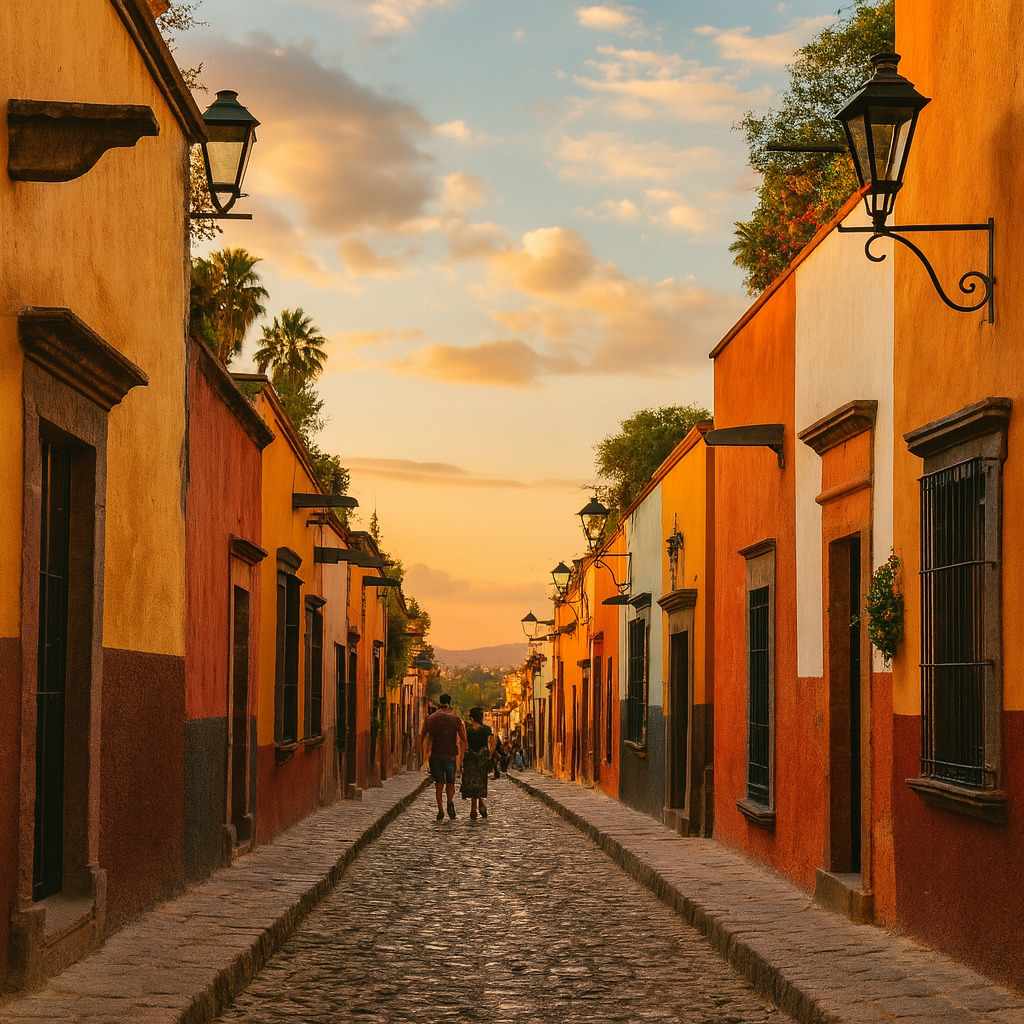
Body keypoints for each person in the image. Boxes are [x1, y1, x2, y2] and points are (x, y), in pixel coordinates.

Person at [420, 693, 467, 821]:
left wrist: (421, 753)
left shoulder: (430, 719)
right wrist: (464, 755)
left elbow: (422, 736)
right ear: (449, 703)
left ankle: (440, 809)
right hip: (451, 755)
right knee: (450, 782)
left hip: (436, 755)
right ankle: (450, 801)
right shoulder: (455, 719)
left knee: (439, 783)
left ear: (440, 703)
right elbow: (463, 738)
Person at [460, 706, 495, 819]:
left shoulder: (467, 729)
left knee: (471, 783)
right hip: (481, 758)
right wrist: (490, 754)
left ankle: (473, 810)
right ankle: (478, 806)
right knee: (479, 783)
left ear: (471, 717)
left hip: (470, 757)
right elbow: (492, 742)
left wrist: (461, 758)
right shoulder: (486, 729)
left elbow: (463, 744)